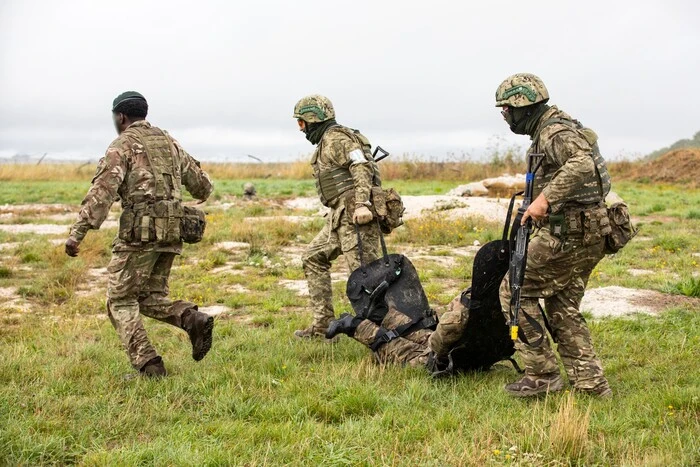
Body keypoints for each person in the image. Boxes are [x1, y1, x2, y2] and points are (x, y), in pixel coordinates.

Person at [65, 91, 215, 378]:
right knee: (148, 298)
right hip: (172, 233)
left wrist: (77, 234)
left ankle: (149, 365)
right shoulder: (170, 143)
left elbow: (101, 194)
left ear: (120, 117)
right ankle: (191, 319)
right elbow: (203, 187)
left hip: (138, 236)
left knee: (119, 300)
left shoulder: (121, 146)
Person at [495, 73, 613, 397]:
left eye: (506, 110)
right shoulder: (557, 127)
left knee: (513, 289)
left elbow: (581, 165)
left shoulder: (554, 131)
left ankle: (542, 375)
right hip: (586, 233)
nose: (505, 116)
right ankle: (590, 384)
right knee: (563, 304)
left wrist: (544, 200)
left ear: (522, 106)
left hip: (568, 234)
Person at [292, 95, 382, 340]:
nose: (300, 129)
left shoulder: (337, 138)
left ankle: (386, 339)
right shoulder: (325, 141)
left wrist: (363, 203)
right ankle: (322, 327)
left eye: (301, 123)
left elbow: (360, 166)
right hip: (339, 216)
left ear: (312, 119)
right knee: (313, 257)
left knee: (367, 280)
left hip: (355, 217)